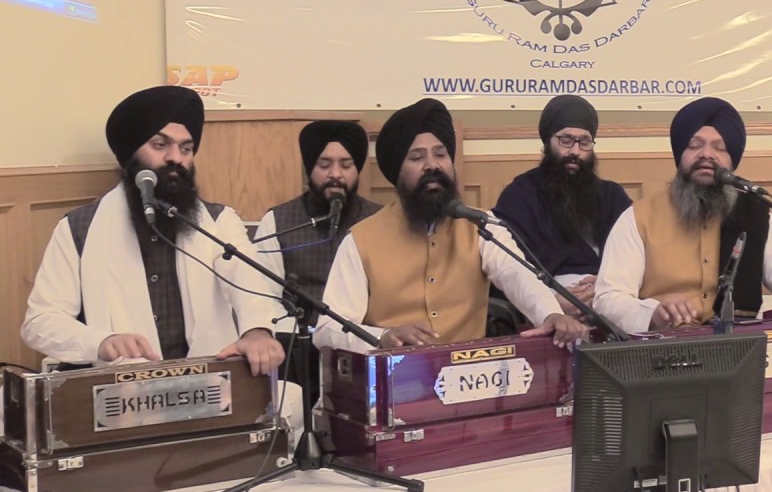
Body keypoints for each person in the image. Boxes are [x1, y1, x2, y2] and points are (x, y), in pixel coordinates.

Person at [23, 86, 286, 377]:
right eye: (160, 145)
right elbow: (41, 322)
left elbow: (250, 285)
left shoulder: (218, 222)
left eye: (186, 148)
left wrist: (257, 331)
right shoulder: (78, 230)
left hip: (210, 384)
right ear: (130, 156)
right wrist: (100, 341)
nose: (176, 158)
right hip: (123, 391)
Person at [314, 98, 589, 352]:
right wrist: (384, 336)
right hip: (395, 380)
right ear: (397, 172)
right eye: (417, 157)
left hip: (471, 376)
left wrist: (550, 314)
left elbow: (516, 274)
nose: (432, 165)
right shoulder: (362, 240)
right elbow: (327, 330)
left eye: (440, 154)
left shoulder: (481, 226)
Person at [594, 97, 772, 334]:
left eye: (719, 147)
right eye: (695, 145)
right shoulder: (638, 218)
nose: (706, 154)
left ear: (732, 160)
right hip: (662, 347)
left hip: (736, 347)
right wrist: (651, 313)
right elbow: (608, 298)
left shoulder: (756, 216)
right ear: (680, 153)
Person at [257, 120, 382, 396]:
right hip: (296, 352)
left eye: (346, 165)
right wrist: (305, 333)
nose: (335, 174)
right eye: (324, 165)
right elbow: (264, 298)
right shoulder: (278, 220)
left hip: (364, 351)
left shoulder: (381, 221)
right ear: (309, 168)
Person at [492, 95, 631, 318]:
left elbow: (636, 259)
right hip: (546, 308)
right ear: (548, 142)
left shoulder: (613, 197)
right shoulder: (519, 196)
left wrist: (610, 282)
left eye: (584, 142)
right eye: (566, 140)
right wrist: (549, 303)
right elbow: (507, 270)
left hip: (610, 301)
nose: (575, 151)